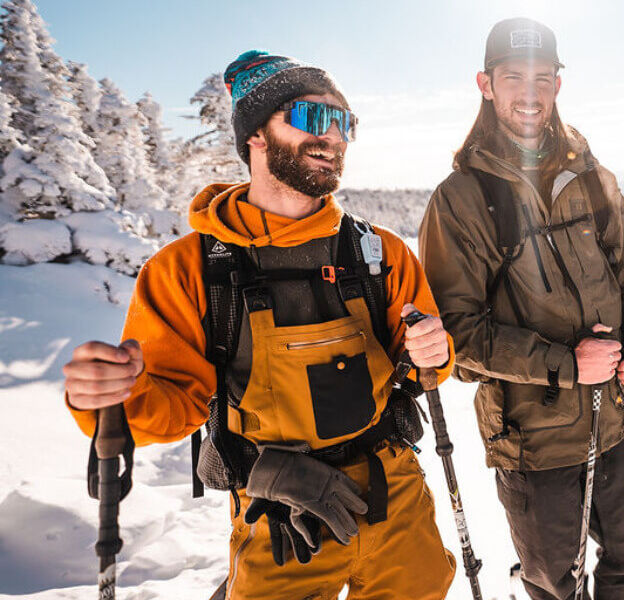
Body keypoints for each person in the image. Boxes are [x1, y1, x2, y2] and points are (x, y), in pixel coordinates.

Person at [61, 51, 457, 600]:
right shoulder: (189, 270)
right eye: (311, 118)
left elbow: (421, 373)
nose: (333, 136)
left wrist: (433, 352)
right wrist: (109, 396)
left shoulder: (379, 252)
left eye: (344, 122)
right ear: (255, 135)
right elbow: (169, 407)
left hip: (396, 494)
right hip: (279, 510)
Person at [419, 17, 624, 600]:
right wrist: (566, 364)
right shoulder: (462, 200)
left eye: (543, 78)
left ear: (558, 84)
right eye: (513, 77)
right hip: (533, 441)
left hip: (616, 420)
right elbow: (457, 340)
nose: (530, 94)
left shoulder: (593, 176)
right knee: (556, 583)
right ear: (485, 83)